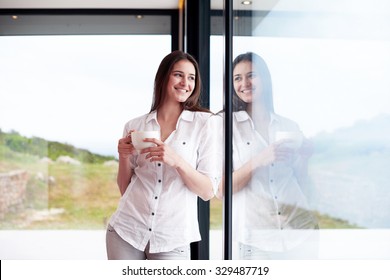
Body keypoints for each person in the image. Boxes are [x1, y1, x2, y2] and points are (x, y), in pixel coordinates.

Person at [106, 50, 221, 260]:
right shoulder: (135, 125)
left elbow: (207, 191)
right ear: (163, 78)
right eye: (178, 74)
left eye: (191, 77)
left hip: (172, 239)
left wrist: (177, 161)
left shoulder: (206, 123)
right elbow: (125, 188)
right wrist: (124, 156)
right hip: (126, 231)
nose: (185, 82)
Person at [217, 52, 318, 259]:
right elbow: (221, 189)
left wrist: (305, 157)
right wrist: (261, 159)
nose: (244, 83)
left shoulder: (288, 126)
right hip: (257, 239)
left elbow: (299, 180)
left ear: (265, 79)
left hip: (301, 232)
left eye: (251, 75)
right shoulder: (224, 125)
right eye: (237, 78)